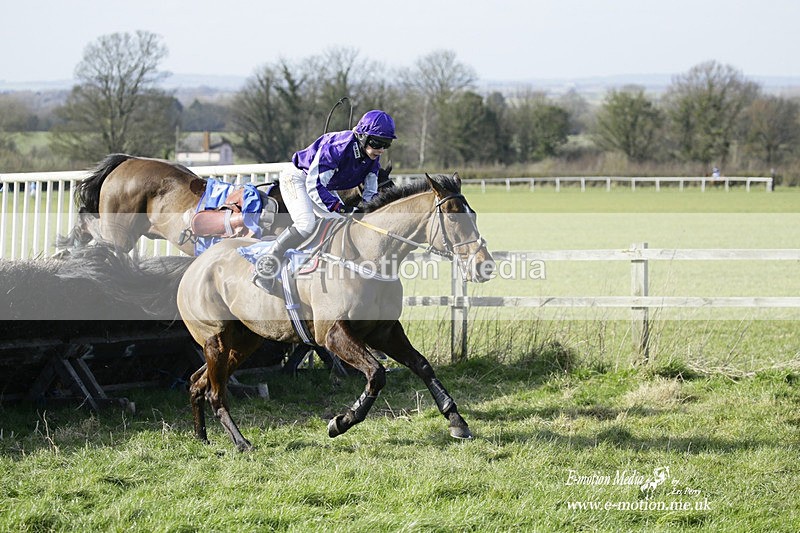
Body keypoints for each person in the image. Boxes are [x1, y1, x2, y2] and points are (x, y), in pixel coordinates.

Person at [258, 109, 396, 281]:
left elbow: (370, 192)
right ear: (362, 136)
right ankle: (267, 264)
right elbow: (314, 185)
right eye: (377, 143)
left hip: (321, 185)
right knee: (305, 224)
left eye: (386, 144)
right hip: (298, 178)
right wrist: (341, 207)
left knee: (340, 224)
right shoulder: (338, 147)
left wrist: (368, 213)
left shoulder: (372, 158)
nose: (381, 149)